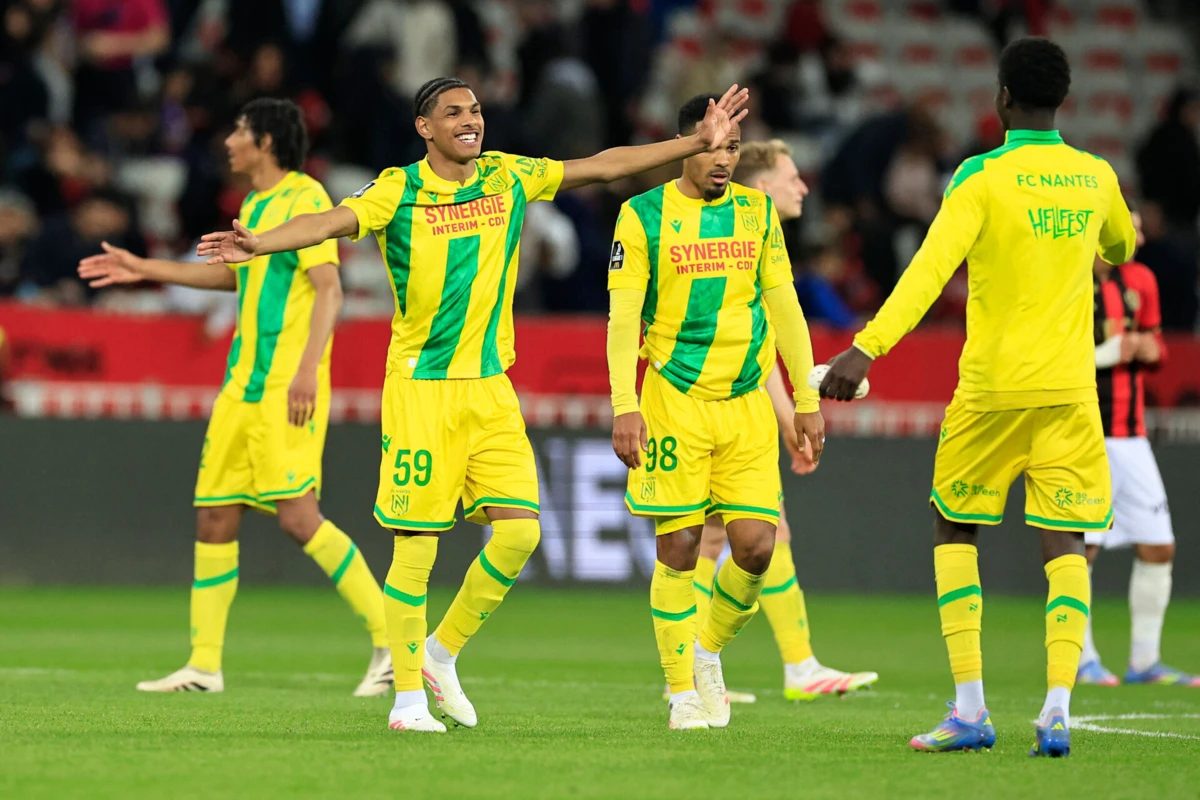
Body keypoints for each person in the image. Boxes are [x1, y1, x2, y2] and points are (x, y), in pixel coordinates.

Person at [197, 78, 750, 733]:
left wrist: (694, 141)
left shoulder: (508, 178)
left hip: (491, 389)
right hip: (422, 390)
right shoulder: (398, 189)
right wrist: (264, 242)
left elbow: (605, 165)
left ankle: (439, 650)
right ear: (424, 128)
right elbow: (333, 222)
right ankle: (405, 702)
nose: (471, 120)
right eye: (454, 112)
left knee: (521, 533)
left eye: (477, 110)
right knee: (417, 548)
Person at [820, 38, 1136, 757]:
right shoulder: (1096, 176)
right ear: (1063, 100)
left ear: (1000, 99)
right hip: (1068, 393)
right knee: (1067, 542)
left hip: (993, 390)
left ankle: (970, 709)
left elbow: (929, 270)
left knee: (954, 528)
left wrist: (864, 347)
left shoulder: (980, 176)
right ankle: (1057, 706)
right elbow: (1120, 247)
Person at [78, 98, 393, 697]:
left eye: (240, 130)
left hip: (284, 386)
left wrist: (307, 371)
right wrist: (145, 267)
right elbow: (234, 276)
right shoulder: (254, 205)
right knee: (215, 516)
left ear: (267, 141)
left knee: (299, 517)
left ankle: (391, 646)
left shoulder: (306, 199)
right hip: (240, 386)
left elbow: (329, 289)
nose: (228, 141)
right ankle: (204, 665)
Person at [607, 95, 825, 731]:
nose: (724, 158)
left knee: (756, 547)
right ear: (685, 147)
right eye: (711, 145)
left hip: (746, 406)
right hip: (673, 403)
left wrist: (805, 400)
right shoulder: (641, 216)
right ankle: (681, 694)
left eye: (732, 147)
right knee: (676, 546)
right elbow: (623, 320)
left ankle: (706, 652)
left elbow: (785, 307)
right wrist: (626, 404)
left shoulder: (757, 215)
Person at [689, 139, 877, 703]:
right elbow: (752, 349)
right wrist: (794, 416)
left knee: (718, 535)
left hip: (725, 406)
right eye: (791, 177)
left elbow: (761, 348)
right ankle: (779, 667)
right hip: (710, 409)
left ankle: (714, 668)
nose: (802, 187)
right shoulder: (742, 236)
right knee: (727, 534)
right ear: (762, 184)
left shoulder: (743, 232)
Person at [1080, 211, 1199, 688]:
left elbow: (1153, 345)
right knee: (1081, 548)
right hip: (1081, 432)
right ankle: (1083, 660)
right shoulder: (1066, 281)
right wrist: (1111, 353)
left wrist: (1153, 350)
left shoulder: (1141, 279)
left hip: (1132, 436)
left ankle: (1144, 662)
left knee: (1158, 545)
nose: (1141, 237)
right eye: (1130, 228)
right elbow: (1050, 357)